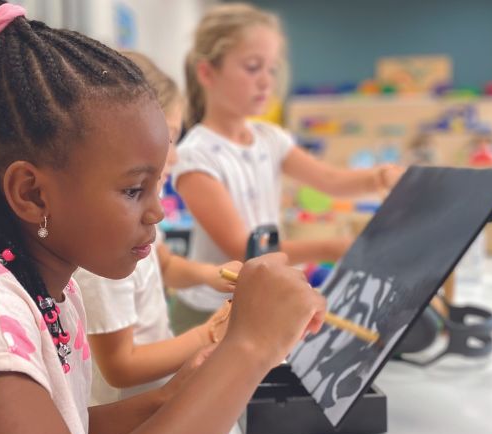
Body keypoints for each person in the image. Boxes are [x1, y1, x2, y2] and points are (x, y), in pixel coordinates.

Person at [0, 2, 326, 434]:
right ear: (33, 194)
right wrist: (249, 347)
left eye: (158, 185)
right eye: (134, 190)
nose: (156, 212)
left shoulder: (49, 291)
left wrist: (174, 396)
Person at [170, 3, 403, 333]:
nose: (266, 81)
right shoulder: (196, 155)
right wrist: (331, 248)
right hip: (207, 313)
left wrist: (381, 177)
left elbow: (332, 181)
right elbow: (245, 250)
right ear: (207, 73)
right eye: (252, 67)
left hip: (259, 298)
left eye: (272, 69)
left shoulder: (271, 138)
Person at [75, 52, 241, 405]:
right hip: (123, 417)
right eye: (170, 139)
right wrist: (211, 334)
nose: (177, 157)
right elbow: (121, 365)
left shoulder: (141, 212)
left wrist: (215, 275)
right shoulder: (105, 243)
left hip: (153, 401)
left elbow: (163, 266)